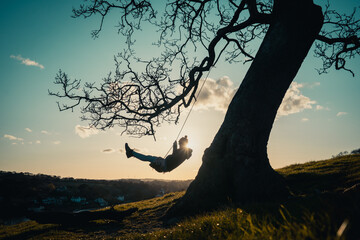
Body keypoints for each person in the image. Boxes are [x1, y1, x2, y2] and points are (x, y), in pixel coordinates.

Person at [125, 135, 193, 173]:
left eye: (180, 143)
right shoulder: (183, 151)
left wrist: (174, 146)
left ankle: (131, 153)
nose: (179, 144)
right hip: (165, 163)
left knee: (147, 158)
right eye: (179, 143)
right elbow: (175, 156)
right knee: (148, 158)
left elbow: (175, 155)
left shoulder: (183, 152)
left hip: (166, 164)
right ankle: (131, 153)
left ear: (183, 143)